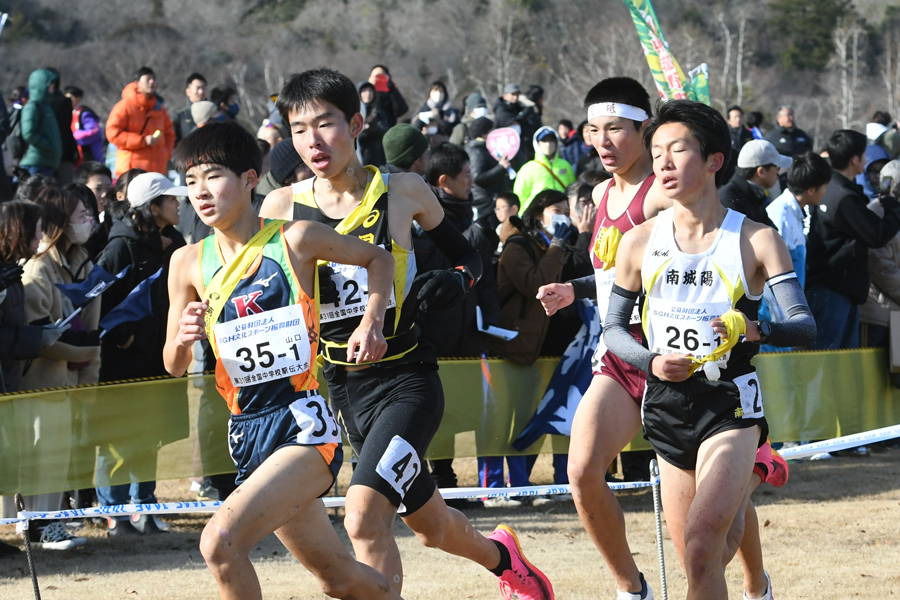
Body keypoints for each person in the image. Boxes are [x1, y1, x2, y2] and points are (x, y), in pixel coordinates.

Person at [260, 68, 553, 599]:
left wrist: (456, 279)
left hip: (407, 380)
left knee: (365, 516)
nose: (313, 141)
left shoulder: (402, 189)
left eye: (325, 124)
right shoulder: (281, 209)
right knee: (432, 525)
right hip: (343, 386)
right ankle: (504, 558)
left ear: (355, 123)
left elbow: (468, 253)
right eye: (299, 129)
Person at [164, 121, 401, 600]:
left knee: (220, 543)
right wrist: (184, 339)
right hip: (247, 435)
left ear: (251, 178)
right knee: (337, 578)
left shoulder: (296, 239)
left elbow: (380, 259)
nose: (200, 192)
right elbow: (171, 362)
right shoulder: (187, 262)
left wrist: (370, 321)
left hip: (303, 428)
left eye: (212, 176)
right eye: (189, 183)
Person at [603, 98, 816, 600]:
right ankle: (749, 492)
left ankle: (746, 467)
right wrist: (651, 361)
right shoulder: (637, 243)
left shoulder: (757, 239)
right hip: (667, 406)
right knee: (704, 559)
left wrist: (752, 328)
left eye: (678, 150)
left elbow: (804, 325)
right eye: (656, 153)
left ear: (714, 160)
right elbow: (612, 331)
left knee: (701, 548)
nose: (664, 163)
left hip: (730, 404)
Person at [535, 76, 671, 600]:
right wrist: (575, 288)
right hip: (618, 351)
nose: (603, 141)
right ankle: (630, 589)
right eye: (594, 130)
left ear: (645, 128)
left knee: (708, 502)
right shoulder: (598, 191)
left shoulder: (662, 191)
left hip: (674, 356)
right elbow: (620, 274)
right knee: (583, 472)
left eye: (616, 129)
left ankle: (754, 583)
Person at [95, 172, 187, 535]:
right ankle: (114, 512)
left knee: (152, 434)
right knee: (118, 436)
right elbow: (98, 301)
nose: (179, 204)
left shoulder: (175, 241)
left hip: (158, 359)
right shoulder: (120, 247)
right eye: (171, 199)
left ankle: (145, 507)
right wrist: (126, 339)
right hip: (125, 363)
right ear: (152, 207)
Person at [19, 187, 100, 550]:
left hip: (69, 380)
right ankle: (37, 526)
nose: (90, 222)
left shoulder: (84, 262)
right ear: (60, 223)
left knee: (58, 456)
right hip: (40, 383)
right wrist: (79, 351)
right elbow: (39, 335)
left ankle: (49, 523)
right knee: (40, 457)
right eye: (82, 215)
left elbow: (91, 329)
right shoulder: (37, 268)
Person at [0, 200, 73, 553]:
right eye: (36, 228)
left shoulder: (13, 272)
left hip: (8, 381)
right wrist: (35, 339)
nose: (41, 236)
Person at [807, 129, 900, 349]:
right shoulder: (843, 196)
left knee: (840, 366)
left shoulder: (835, 188)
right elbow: (876, 235)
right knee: (828, 363)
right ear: (855, 160)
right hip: (833, 292)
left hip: (838, 290)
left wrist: (887, 204)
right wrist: (893, 209)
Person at [759, 151, 831, 353]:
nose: (826, 191)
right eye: (824, 186)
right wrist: (778, 318)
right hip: (775, 313)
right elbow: (768, 267)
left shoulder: (797, 212)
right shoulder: (779, 214)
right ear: (811, 189)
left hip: (786, 312)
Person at [860, 161, 900, 355]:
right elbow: (882, 268)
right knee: (870, 378)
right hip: (878, 315)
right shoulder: (878, 212)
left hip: (893, 311)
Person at [106, 66, 175, 177]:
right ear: (137, 83)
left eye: (153, 79)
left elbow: (169, 134)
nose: (152, 82)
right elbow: (112, 133)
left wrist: (166, 154)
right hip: (131, 171)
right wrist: (142, 140)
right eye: (148, 79)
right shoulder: (124, 106)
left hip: (158, 171)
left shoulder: (160, 109)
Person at [718, 139, 790, 228]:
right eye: (777, 168)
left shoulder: (753, 194)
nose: (778, 174)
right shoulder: (729, 202)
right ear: (761, 172)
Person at [513, 126, 576, 213]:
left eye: (551, 140)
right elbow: (520, 196)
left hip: (563, 212)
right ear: (538, 143)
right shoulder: (528, 168)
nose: (548, 144)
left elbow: (572, 190)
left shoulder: (565, 165)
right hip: (538, 215)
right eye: (544, 140)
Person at [466, 117, 512, 219]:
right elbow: (477, 177)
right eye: (492, 130)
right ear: (484, 133)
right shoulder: (477, 151)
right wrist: (501, 168)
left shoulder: (487, 149)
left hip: (491, 200)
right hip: (484, 202)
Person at [18, 69, 62, 178]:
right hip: (36, 164)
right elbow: (28, 133)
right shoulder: (32, 106)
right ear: (42, 86)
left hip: (46, 164)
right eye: (50, 86)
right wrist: (49, 146)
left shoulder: (46, 107)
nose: (52, 90)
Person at [44, 70, 79, 184]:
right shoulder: (66, 101)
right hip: (66, 151)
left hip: (46, 152)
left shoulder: (42, 103)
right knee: (66, 190)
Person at [63, 86, 104, 165]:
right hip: (74, 154)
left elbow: (93, 131)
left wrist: (72, 137)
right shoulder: (68, 112)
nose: (68, 101)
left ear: (78, 98)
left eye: (70, 98)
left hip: (87, 153)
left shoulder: (85, 113)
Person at [173, 73, 207, 144]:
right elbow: (174, 146)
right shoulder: (179, 117)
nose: (201, 91)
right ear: (188, 91)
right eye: (198, 88)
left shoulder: (215, 113)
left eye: (203, 88)